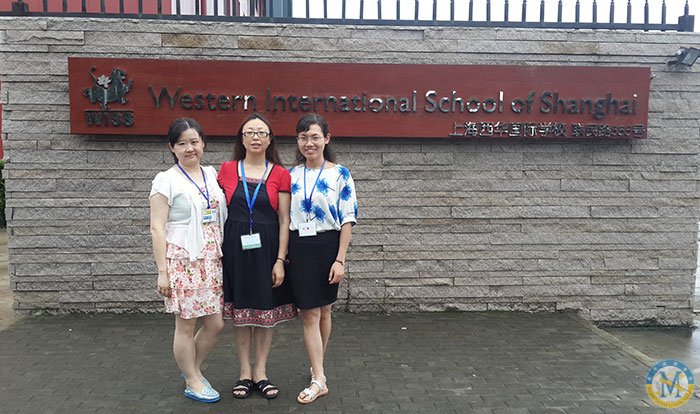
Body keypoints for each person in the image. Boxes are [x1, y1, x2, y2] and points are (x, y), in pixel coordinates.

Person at [217, 113, 297, 400]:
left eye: (261, 132)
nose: (255, 137)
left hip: (267, 250)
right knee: (241, 313)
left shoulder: (281, 174)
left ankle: (261, 372)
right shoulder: (226, 170)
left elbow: (284, 220)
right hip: (235, 251)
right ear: (241, 138)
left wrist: (280, 260)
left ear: (270, 139)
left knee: (265, 312)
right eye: (249, 132)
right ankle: (244, 373)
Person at [149, 118, 226, 403]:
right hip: (183, 261)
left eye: (194, 141)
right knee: (186, 325)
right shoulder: (165, 180)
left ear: (203, 143)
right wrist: (163, 272)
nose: (189, 148)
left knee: (216, 324)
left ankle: (191, 368)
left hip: (211, 259)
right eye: (182, 143)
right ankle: (192, 380)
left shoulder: (211, 174)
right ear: (172, 147)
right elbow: (157, 227)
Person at [287, 113, 358, 404]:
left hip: (328, 246)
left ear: (327, 139)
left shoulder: (340, 174)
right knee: (309, 313)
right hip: (299, 247)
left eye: (315, 137)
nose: (309, 143)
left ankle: (318, 371)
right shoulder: (291, 174)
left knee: (325, 310)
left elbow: (348, 219)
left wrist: (340, 260)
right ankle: (319, 377)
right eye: (303, 137)